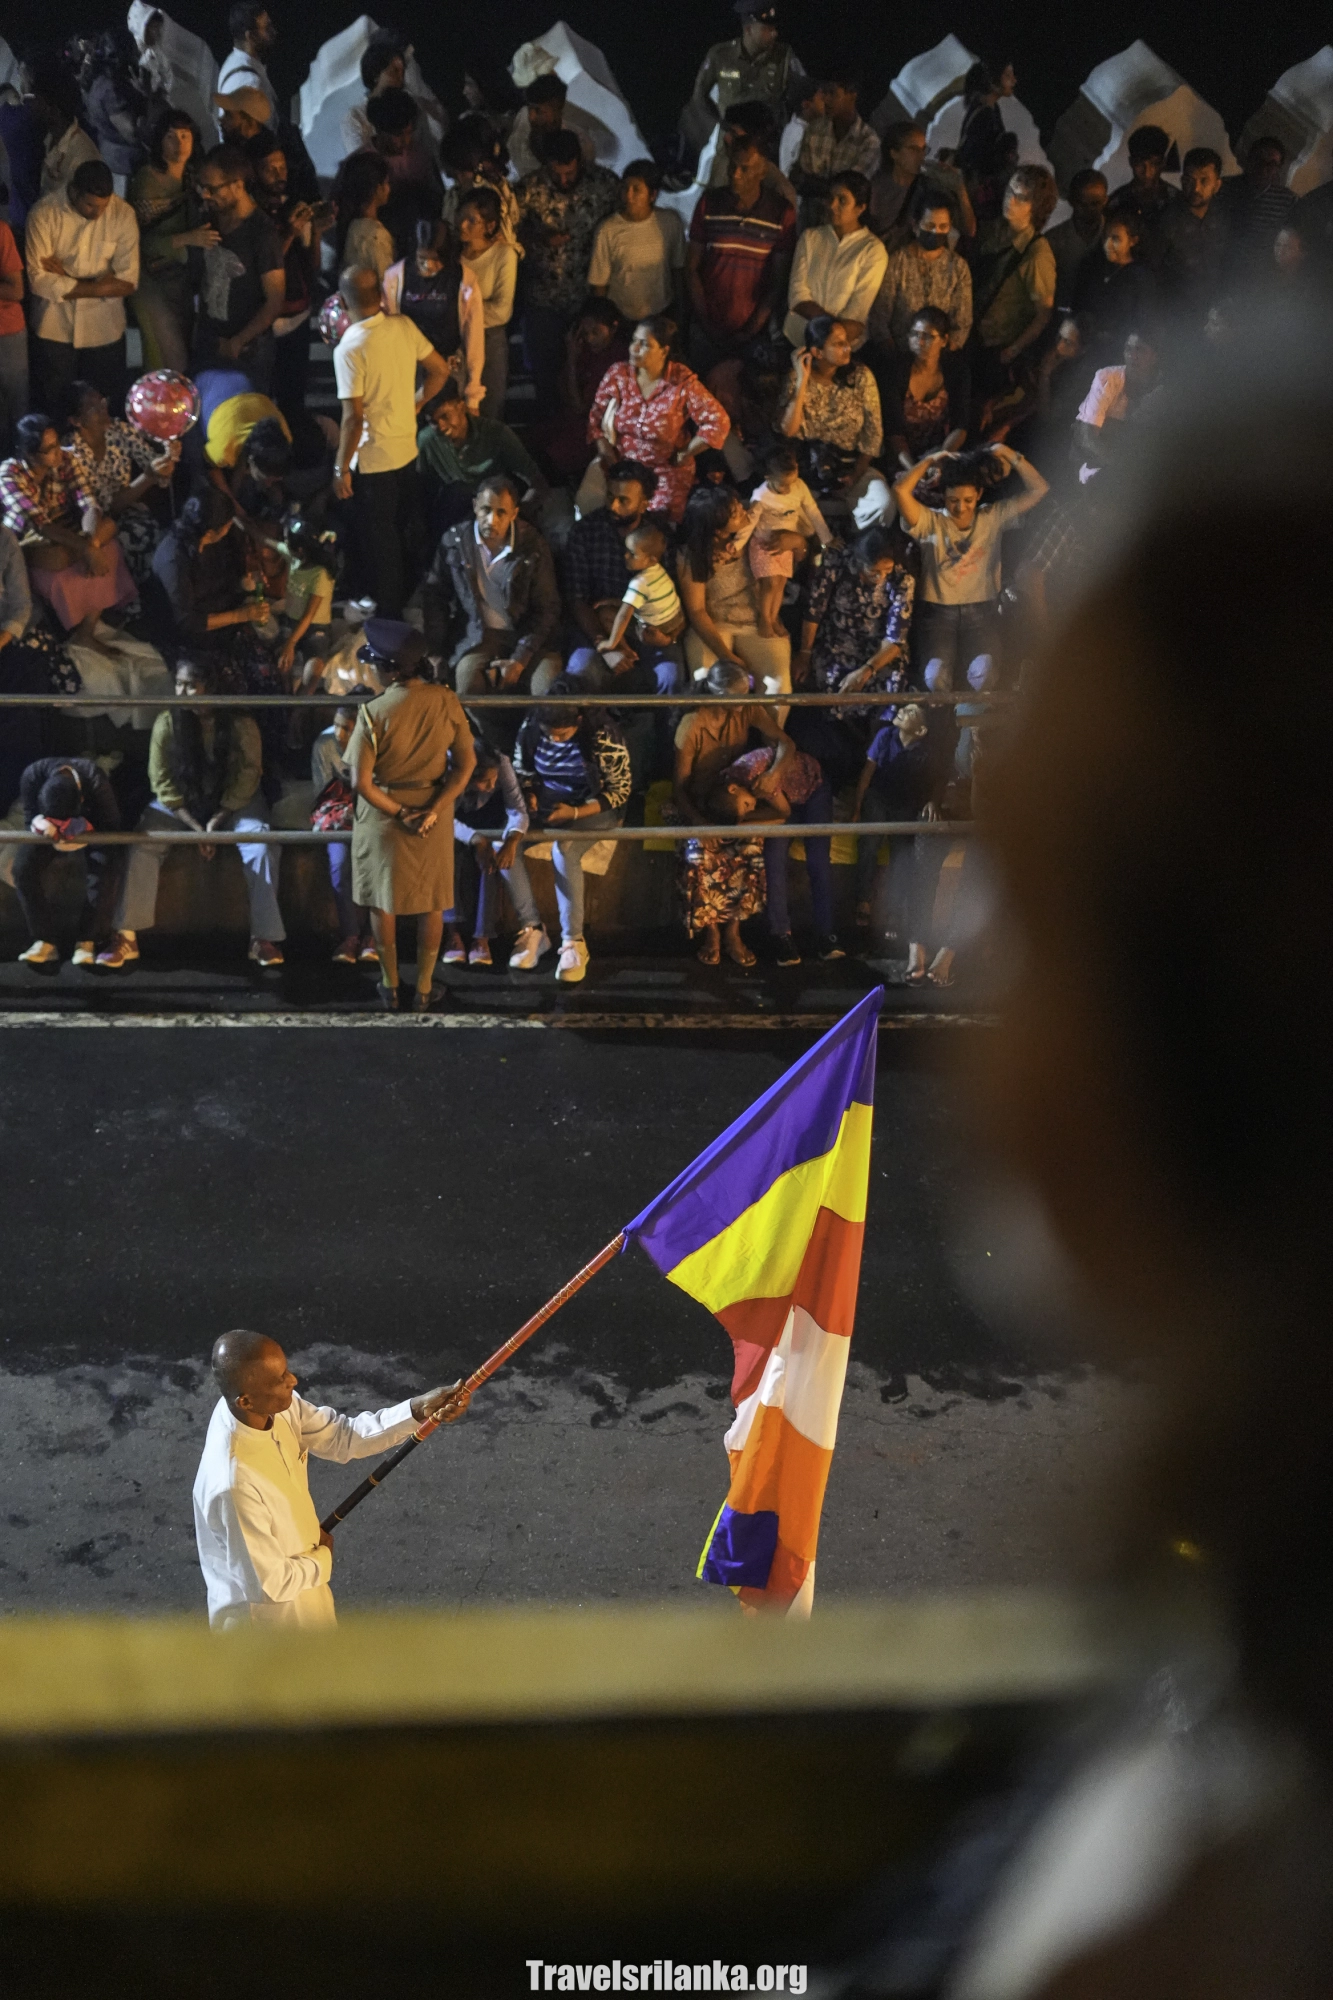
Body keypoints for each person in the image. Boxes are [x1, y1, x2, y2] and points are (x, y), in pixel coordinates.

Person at [193, 1327, 466, 1630]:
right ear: (245, 1401)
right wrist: (322, 1559)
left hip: (307, 1594)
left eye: (286, 1371)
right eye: (280, 1379)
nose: (292, 1381)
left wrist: (417, 1410)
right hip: (266, 1629)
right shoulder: (233, 1485)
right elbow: (269, 1586)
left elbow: (343, 1436)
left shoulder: (274, 1405)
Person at [114, 654, 285, 970]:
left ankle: (263, 938)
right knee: (143, 843)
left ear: (212, 687)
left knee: (261, 844)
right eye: (178, 684)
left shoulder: (239, 723)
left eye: (191, 686)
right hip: (183, 806)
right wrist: (196, 827)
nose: (181, 693)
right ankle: (126, 936)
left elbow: (248, 774)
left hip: (234, 801)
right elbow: (161, 780)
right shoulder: (168, 721)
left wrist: (218, 821)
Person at [346, 617, 475, 1010]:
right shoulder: (446, 700)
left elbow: (361, 783)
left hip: (385, 817)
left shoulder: (372, 712)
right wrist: (435, 807)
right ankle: (422, 987)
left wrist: (401, 812)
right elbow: (465, 764)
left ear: (388, 668)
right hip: (432, 816)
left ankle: (390, 984)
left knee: (382, 902)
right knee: (431, 902)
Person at [333, 264, 449, 619]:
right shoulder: (403, 327)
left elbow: (352, 419)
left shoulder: (349, 348)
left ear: (342, 302)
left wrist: (341, 468)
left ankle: (388, 615)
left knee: (380, 543)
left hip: (373, 459)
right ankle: (406, 600)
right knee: (402, 532)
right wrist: (418, 402)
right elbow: (440, 370)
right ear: (381, 297)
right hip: (406, 451)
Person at [893, 442, 1047, 680]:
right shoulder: (930, 521)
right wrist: (930, 460)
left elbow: (1039, 489)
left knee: (985, 675)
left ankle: (974, 715)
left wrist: (1010, 454)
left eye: (968, 500)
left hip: (983, 610)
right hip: (938, 613)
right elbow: (900, 491)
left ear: (979, 495)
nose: (960, 507)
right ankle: (939, 717)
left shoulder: (992, 516)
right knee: (935, 677)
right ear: (944, 495)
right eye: (953, 500)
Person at [673, 658, 789, 965]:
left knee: (750, 847)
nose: (742, 704)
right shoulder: (692, 723)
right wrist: (700, 825)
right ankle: (711, 932)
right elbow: (679, 787)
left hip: (733, 802)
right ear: (717, 694)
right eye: (735, 698)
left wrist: (776, 770)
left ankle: (733, 933)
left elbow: (785, 744)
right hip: (698, 806)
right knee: (700, 855)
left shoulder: (747, 709)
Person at [513, 684, 631, 984]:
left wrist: (575, 813)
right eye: (548, 732)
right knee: (506, 839)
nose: (554, 738)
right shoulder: (531, 727)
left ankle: (573, 942)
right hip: (549, 804)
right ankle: (533, 930)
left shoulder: (603, 735)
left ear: (578, 721)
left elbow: (620, 792)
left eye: (562, 734)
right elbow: (522, 770)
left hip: (592, 806)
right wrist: (530, 796)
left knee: (564, 848)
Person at [420, 472, 562, 706]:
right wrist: (435, 649)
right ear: (475, 506)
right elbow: (435, 595)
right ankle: (497, 740)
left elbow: (547, 608)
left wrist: (520, 658)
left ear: (514, 514)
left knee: (546, 688)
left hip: (530, 636)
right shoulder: (455, 542)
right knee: (466, 684)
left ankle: (530, 740)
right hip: (479, 634)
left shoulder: (532, 546)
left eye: (501, 513)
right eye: (486, 510)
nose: (491, 520)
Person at [0, 413, 135, 653]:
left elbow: (89, 503)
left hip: (67, 532)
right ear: (29, 453)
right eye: (50, 449)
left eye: (57, 444)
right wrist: (86, 548)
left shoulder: (67, 459)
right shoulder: (8, 474)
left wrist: (90, 542)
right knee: (59, 558)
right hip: (28, 540)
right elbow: (40, 524)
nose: (59, 451)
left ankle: (86, 633)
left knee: (109, 533)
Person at [584, 315, 730, 521]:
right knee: (607, 512)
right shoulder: (619, 374)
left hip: (665, 470)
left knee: (656, 522)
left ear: (664, 350)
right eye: (634, 341)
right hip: (622, 465)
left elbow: (718, 421)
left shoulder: (681, 381)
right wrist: (610, 459)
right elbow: (596, 418)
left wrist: (685, 453)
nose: (634, 349)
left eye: (644, 344)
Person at [24, 158, 138, 416]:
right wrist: (99, 286)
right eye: (89, 205)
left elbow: (128, 281)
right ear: (73, 191)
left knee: (104, 406)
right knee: (56, 405)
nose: (97, 213)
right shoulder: (44, 214)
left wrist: (67, 278)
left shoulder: (122, 214)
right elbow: (39, 281)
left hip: (104, 329)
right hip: (54, 328)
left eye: (103, 207)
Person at [515, 129, 619, 410]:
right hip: (542, 299)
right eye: (556, 173)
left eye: (570, 173)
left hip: (589, 299)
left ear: (580, 163)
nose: (563, 180)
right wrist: (538, 238)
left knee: (592, 377)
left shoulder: (604, 184)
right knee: (545, 374)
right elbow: (507, 234)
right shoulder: (528, 189)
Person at [687, 134, 796, 376]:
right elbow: (692, 267)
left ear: (763, 171)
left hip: (754, 331)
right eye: (733, 166)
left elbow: (778, 281)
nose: (735, 174)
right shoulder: (709, 203)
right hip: (707, 328)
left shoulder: (780, 213)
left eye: (745, 169)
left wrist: (752, 329)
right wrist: (705, 321)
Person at [679, 482, 795, 695]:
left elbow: (793, 552)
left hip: (756, 622)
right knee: (708, 683)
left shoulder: (756, 534)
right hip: (714, 626)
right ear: (717, 529)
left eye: (738, 505)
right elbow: (697, 611)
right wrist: (726, 656)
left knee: (778, 688)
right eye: (735, 513)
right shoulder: (692, 555)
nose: (743, 511)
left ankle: (766, 728)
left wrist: (797, 540)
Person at [12, 755, 126, 972]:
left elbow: (112, 825)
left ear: (81, 800)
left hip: (92, 829)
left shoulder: (95, 780)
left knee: (107, 866)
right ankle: (44, 940)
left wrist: (82, 830)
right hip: (47, 831)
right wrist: (44, 823)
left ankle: (87, 940)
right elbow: (29, 818)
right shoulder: (32, 775)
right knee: (22, 868)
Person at [247, 131, 330, 426]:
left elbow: (312, 266)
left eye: (282, 167)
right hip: (264, 318)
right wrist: (290, 233)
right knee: (262, 396)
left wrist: (316, 231)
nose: (278, 174)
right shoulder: (249, 213)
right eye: (270, 168)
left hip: (298, 312)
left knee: (294, 395)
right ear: (254, 170)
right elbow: (263, 267)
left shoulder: (293, 205)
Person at [447, 738, 549, 971]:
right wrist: (475, 839)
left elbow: (518, 809)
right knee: (445, 853)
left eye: (494, 780)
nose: (492, 786)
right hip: (457, 827)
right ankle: (453, 935)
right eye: (485, 782)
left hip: (493, 825)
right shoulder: (451, 768)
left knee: (496, 859)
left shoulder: (500, 763)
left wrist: (512, 840)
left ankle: (483, 938)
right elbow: (443, 817)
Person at [62, 379, 177, 586]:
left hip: (127, 512)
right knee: (130, 537)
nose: (103, 409)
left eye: (102, 402)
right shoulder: (71, 452)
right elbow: (105, 506)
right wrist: (148, 477)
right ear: (76, 421)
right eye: (93, 408)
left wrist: (168, 459)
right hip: (90, 522)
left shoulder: (120, 431)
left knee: (154, 531)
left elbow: (154, 466)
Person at [190, 143, 285, 392]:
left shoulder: (262, 232)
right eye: (202, 187)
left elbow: (275, 299)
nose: (206, 195)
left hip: (248, 349)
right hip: (209, 340)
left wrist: (238, 341)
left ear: (238, 185)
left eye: (213, 188)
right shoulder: (208, 220)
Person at [128, 108, 212, 373]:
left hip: (181, 279)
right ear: (158, 142)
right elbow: (139, 241)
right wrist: (187, 238)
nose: (179, 145)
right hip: (151, 279)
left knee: (183, 351)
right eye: (170, 137)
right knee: (164, 355)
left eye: (185, 136)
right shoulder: (147, 181)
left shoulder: (193, 176)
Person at [794, 522, 915, 705]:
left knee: (892, 680)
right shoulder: (837, 561)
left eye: (886, 571)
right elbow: (814, 611)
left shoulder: (901, 578)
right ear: (860, 562)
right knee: (832, 678)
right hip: (838, 641)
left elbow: (896, 637)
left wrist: (867, 670)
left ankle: (881, 731)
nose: (880, 577)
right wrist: (805, 652)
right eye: (874, 571)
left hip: (880, 648)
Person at [778, 315, 884, 518]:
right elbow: (788, 430)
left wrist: (855, 476)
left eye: (847, 342)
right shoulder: (797, 378)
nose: (847, 349)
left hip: (852, 467)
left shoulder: (861, 377)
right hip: (808, 470)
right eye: (838, 344)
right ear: (817, 352)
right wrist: (801, 381)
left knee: (882, 504)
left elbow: (873, 435)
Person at [849, 699, 935, 939]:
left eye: (910, 712)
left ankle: (895, 912)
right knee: (869, 844)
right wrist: (857, 807)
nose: (902, 711)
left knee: (902, 853)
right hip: (879, 796)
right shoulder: (886, 735)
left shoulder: (924, 751)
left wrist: (929, 801)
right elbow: (868, 772)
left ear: (920, 731)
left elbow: (926, 785)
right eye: (904, 708)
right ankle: (863, 901)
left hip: (905, 802)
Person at [971, 165, 1058, 401]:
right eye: (1010, 191)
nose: (1011, 201)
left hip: (995, 346)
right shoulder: (996, 229)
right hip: (971, 333)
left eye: (1021, 198)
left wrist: (1012, 351)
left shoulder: (1038, 253)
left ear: (1037, 207)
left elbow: (1044, 314)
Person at [416, 378, 544, 539]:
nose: (441, 427)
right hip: (454, 524)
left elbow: (537, 481)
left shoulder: (496, 434)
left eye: (445, 416)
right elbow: (419, 492)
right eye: (433, 422)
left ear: (461, 406)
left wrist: (515, 516)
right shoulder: (427, 441)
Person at [382, 221, 486, 417]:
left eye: (436, 259)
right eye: (422, 259)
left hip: (449, 366)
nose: (428, 266)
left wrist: (473, 394)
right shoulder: (395, 277)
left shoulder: (463, 279)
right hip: (408, 369)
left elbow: (474, 338)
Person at [685, 0, 805, 160]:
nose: (774, 34)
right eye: (767, 29)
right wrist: (724, 127)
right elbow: (699, 97)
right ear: (748, 29)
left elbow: (804, 93)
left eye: (774, 28)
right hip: (732, 146)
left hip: (768, 149)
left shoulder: (784, 56)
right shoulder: (721, 55)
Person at [783, 170, 886, 350]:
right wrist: (833, 329)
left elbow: (857, 313)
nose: (832, 205)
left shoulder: (872, 250)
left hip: (841, 349)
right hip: (796, 339)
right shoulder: (811, 238)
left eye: (842, 201)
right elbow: (797, 295)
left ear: (860, 208)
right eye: (830, 198)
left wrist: (827, 338)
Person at [868, 187, 972, 358]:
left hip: (940, 358)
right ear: (915, 226)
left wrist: (940, 357)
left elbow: (962, 323)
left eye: (943, 226)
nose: (936, 232)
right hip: (899, 355)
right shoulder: (898, 261)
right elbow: (880, 316)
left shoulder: (958, 267)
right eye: (930, 225)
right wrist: (894, 354)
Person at [311, 702, 376, 965]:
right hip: (338, 813)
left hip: (371, 809)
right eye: (336, 725)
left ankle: (373, 936)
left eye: (346, 728)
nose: (339, 733)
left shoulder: (373, 744)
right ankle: (350, 935)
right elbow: (322, 795)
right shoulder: (324, 744)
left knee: (375, 866)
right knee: (339, 866)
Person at [588, 161, 687, 327]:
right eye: (625, 188)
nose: (629, 196)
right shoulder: (608, 230)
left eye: (636, 189)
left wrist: (681, 311)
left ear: (652, 195)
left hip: (660, 314)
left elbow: (678, 269)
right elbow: (599, 283)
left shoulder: (669, 222)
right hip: (621, 318)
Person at [747, 440, 830, 636]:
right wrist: (737, 545)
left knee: (781, 582)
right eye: (784, 484)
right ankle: (764, 619)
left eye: (792, 481)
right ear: (768, 477)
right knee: (770, 584)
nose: (789, 488)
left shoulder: (798, 487)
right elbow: (749, 523)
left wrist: (827, 538)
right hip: (765, 543)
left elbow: (812, 510)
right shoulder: (761, 496)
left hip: (786, 544)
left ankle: (774, 616)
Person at [358, 87, 444, 258]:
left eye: (409, 133)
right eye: (398, 135)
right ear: (381, 131)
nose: (406, 141)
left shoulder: (420, 157)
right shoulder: (362, 163)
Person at [457, 185, 518, 418]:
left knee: (489, 410)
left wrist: (464, 312)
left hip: (490, 340)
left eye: (472, 220)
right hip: (457, 341)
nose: (463, 225)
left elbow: (502, 311)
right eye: (461, 217)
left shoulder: (504, 255)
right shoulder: (452, 255)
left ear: (490, 225)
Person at [881, 306, 970, 466]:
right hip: (902, 459)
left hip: (940, 453)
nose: (920, 342)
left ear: (944, 340)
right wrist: (915, 471)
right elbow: (894, 433)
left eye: (928, 336)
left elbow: (960, 426)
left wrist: (939, 460)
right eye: (915, 334)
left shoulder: (956, 371)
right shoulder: (896, 372)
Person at [1072, 211, 1156, 371]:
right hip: (1085, 348)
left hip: (1116, 356)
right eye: (1106, 237)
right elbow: (1079, 304)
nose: (1108, 245)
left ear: (1133, 241)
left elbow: (1144, 321)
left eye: (1116, 239)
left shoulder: (1141, 277)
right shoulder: (1094, 267)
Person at [1073, 330, 1162, 473]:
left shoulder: (1160, 389)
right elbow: (1088, 435)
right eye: (1128, 348)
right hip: (1091, 452)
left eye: (1139, 350)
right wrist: (1118, 466)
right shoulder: (1108, 377)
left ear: (1154, 357)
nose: (1132, 356)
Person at [793, 71, 880, 205]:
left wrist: (813, 184)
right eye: (824, 93)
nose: (826, 100)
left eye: (832, 93)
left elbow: (853, 191)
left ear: (852, 95)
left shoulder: (868, 142)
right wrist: (834, 187)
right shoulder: (815, 129)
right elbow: (799, 181)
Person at [82, 29, 151, 192]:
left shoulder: (97, 81)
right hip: (127, 165)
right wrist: (148, 98)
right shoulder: (110, 88)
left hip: (113, 158)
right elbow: (131, 132)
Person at [1222, 134, 1297, 281]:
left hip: (1261, 275)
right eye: (1259, 161)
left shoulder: (1287, 201)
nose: (1264, 168)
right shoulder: (1224, 188)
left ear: (1278, 169)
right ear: (1249, 160)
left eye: (1271, 164)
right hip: (1222, 267)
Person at [507, 70, 606, 180]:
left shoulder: (582, 149)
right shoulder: (523, 118)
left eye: (538, 110)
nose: (531, 116)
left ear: (557, 109)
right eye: (530, 108)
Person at [1045, 167, 1109, 312]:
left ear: (1105, 200)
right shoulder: (1053, 241)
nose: (1089, 210)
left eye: (1095, 203)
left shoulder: (1114, 235)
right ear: (1071, 201)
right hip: (1061, 316)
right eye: (1083, 204)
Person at [333, 151, 394, 284]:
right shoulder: (376, 236)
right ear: (378, 189)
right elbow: (387, 285)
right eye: (387, 183)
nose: (389, 188)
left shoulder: (350, 226)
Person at [216, 4, 276, 125]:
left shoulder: (237, 61)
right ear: (250, 36)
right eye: (267, 28)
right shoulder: (248, 82)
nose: (274, 32)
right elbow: (247, 139)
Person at [0, 217, 28, 458]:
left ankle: (20, 478)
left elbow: (17, 290)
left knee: (17, 411)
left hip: (6, 332)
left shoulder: (1, 232)